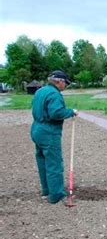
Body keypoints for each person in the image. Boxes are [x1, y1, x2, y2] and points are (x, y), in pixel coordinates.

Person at [30, 70, 78, 204]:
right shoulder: (54, 94)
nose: (66, 86)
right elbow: (56, 113)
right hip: (48, 131)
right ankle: (56, 195)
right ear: (59, 82)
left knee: (42, 161)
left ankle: (46, 191)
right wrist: (70, 112)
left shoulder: (41, 91)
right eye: (65, 83)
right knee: (54, 163)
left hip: (37, 129)